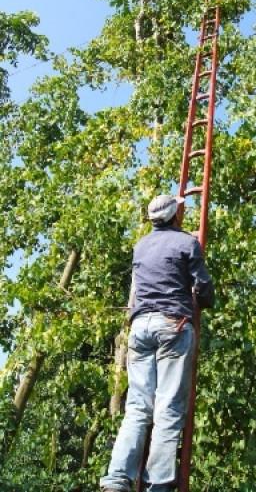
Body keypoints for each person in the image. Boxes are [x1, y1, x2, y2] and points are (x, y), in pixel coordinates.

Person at [101, 194, 214, 492]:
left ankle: (117, 479)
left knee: (138, 406)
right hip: (171, 325)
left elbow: (138, 288)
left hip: (139, 328)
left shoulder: (141, 246)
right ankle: (158, 484)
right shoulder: (187, 243)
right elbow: (202, 287)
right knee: (168, 407)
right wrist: (205, 300)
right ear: (175, 214)